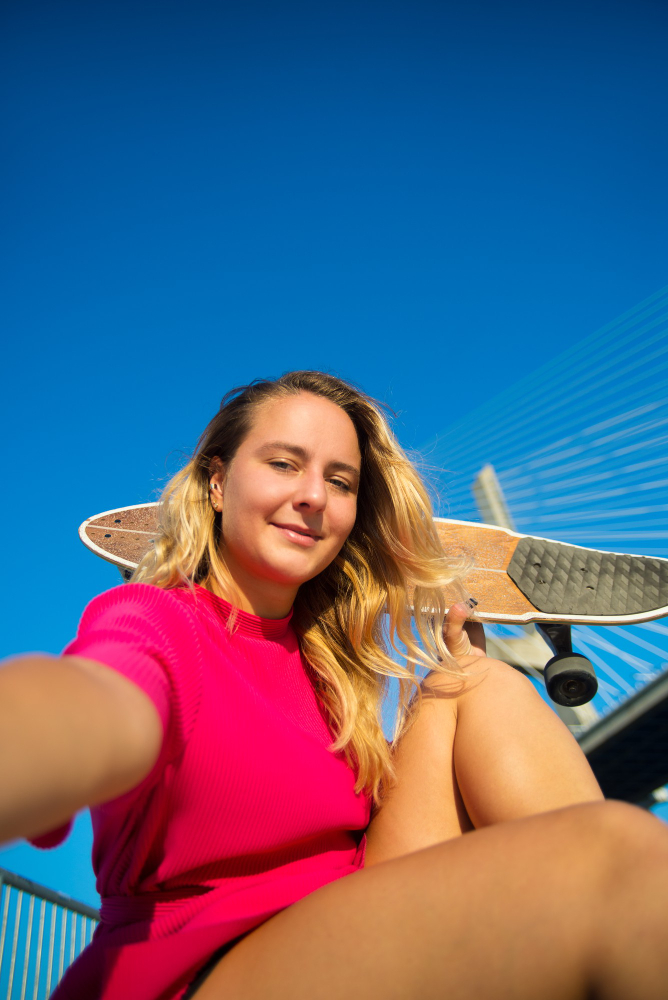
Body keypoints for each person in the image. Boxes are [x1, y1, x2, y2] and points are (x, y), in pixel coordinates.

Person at [1, 370, 667, 1000]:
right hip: (201, 966)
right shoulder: (159, 619)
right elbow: (103, 701)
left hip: (348, 925)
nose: (314, 496)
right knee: (613, 857)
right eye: (284, 464)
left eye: (341, 481)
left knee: (471, 681)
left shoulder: (331, 673)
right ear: (215, 482)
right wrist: (33, 741)